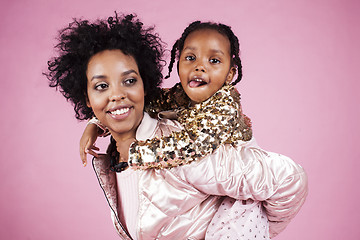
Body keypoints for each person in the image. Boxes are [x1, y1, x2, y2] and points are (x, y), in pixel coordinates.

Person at [47, 13, 308, 239]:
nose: (116, 95)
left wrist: (254, 228)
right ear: (87, 99)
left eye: (129, 81)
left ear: (143, 87)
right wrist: (96, 123)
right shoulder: (116, 150)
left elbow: (289, 180)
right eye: (102, 86)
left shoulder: (185, 149)